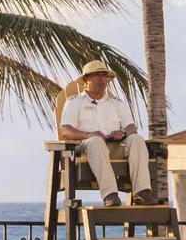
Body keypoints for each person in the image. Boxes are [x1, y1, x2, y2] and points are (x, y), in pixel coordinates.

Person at [58, 60, 152, 204]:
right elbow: (66, 131)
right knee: (96, 141)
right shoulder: (74, 102)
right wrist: (88, 135)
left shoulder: (116, 103)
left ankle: (141, 192)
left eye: (105, 76)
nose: (102, 80)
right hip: (85, 149)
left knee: (137, 139)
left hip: (114, 146)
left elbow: (131, 127)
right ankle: (110, 194)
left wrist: (123, 133)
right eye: (97, 75)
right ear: (86, 79)